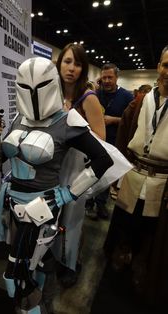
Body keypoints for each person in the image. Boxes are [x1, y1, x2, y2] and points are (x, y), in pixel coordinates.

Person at [0, 57, 113, 314]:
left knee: (17, 272)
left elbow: (103, 159)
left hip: (44, 206)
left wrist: (66, 195)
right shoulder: (17, 118)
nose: (33, 94)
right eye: (25, 87)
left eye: (40, 86)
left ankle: (32, 306)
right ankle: (41, 300)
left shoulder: (67, 120)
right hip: (13, 203)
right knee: (37, 260)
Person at [103, 45, 168, 307]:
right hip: (134, 174)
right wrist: (118, 172)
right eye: (166, 65)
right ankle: (123, 253)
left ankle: (142, 263)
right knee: (125, 221)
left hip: (162, 183)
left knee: (152, 231)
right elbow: (123, 137)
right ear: (159, 66)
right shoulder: (142, 100)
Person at [53, 43, 106, 288]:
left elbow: (101, 141)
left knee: (72, 220)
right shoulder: (51, 92)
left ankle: (70, 264)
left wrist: (74, 126)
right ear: (59, 63)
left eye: (77, 63)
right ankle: (54, 256)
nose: (71, 68)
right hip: (52, 164)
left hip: (76, 168)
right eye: (67, 62)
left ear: (83, 68)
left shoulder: (89, 97)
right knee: (52, 216)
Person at [85, 63, 134, 220]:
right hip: (94, 141)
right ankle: (88, 202)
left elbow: (132, 121)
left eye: (110, 77)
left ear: (116, 77)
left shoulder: (127, 96)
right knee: (90, 171)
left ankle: (100, 203)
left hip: (114, 142)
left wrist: (114, 120)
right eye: (104, 77)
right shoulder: (95, 94)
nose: (106, 80)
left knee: (107, 174)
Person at [116, 84, 152, 159]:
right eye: (145, 92)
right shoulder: (134, 105)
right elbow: (123, 131)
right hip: (132, 151)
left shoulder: (134, 103)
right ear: (139, 93)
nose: (145, 95)